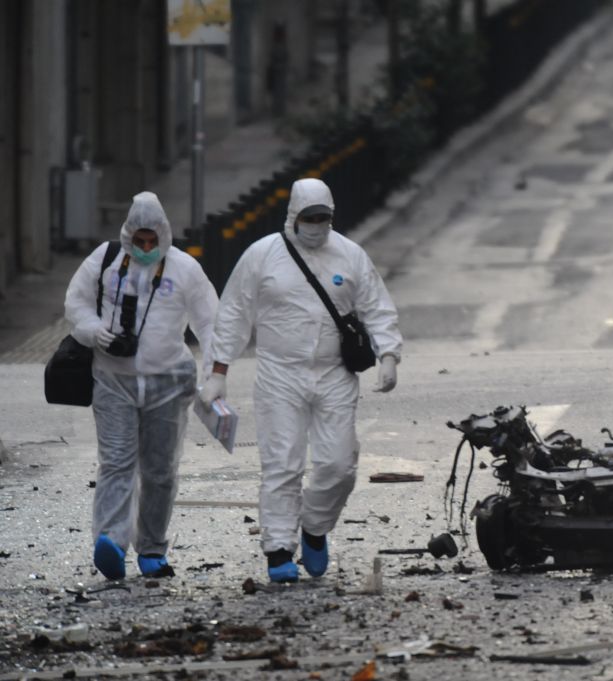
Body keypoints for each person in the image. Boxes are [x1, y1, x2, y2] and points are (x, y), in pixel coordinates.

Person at [199, 177, 402, 583]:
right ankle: (277, 549)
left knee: (340, 465)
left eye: (323, 218)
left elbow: (376, 306)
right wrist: (218, 372)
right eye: (309, 217)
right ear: (293, 215)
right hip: (280, 373)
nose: (316, 225)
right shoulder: (262, 256)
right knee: (282, 464)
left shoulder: (350, 255)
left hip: (335, 374)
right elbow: (234, 314)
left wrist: (389, 354)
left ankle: (314, 525)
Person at [64, 191, 218, 580]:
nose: (147, 249)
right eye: (140, 241)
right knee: (116, 462)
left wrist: (216, 373)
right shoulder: (104, 260)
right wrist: (93, 330)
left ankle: (151, 548)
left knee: (160, 470)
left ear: (164, 236)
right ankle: (111, 542)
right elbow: (75, 303)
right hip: (113, 380)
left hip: (169, 382)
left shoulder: (185, 270)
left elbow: (210, 322)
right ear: (129, 235)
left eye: (153, 242)